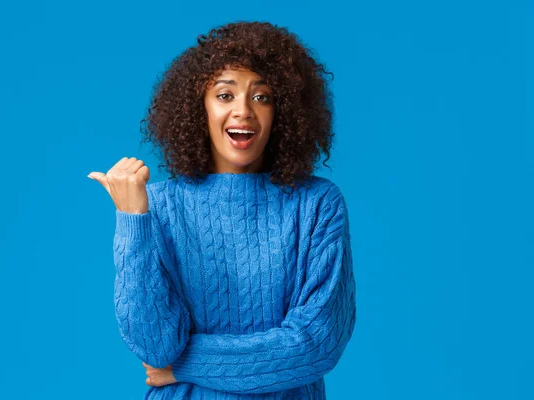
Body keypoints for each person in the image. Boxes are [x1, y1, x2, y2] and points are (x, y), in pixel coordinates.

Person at [88, 20, 357, 400]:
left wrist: (184, 366)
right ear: (198, 106)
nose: (243, 111)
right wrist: (133, 221)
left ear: (284, 112)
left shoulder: (316, 204)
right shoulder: (161, 206)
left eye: (262, 97)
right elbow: (155, 348)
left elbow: (317, 342)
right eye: (225, 95)